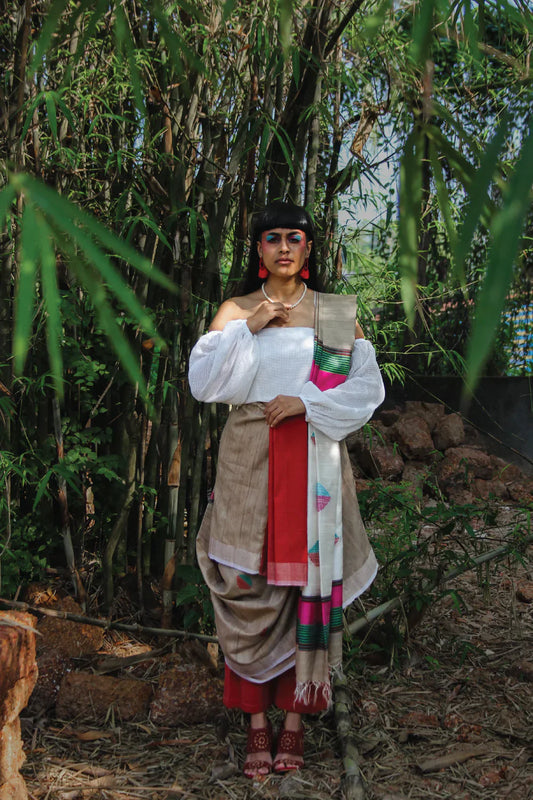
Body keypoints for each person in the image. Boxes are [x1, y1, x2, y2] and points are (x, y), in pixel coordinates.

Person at [188, 201, 385, 778]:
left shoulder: (333, 314)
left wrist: (305, 402)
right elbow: (205, 383)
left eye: (293, 237)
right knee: (245, 580)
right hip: (249, 459)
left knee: (308, 584)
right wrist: (250, 326)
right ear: (257, 249)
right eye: (271, 237)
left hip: (316, 458)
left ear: (308, 248)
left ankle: (294, 723)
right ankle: (256, 722)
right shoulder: (237, 309)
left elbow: (364, 389)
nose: (282, 247)